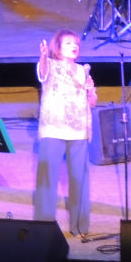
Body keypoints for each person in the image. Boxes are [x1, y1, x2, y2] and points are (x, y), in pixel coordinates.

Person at [33, 29, 97, 238]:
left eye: (76, 43)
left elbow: (92, 103)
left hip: (79, 131)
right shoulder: (50, 65)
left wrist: (90, 90)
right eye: (69, 43)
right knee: (47, 180)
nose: (74, 46)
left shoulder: (83, 70)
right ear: (58, 48)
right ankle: (43, 227)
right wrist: (43, 56)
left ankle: (80, 226)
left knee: (80, 180)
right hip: (53, 129)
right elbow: (42, 73)